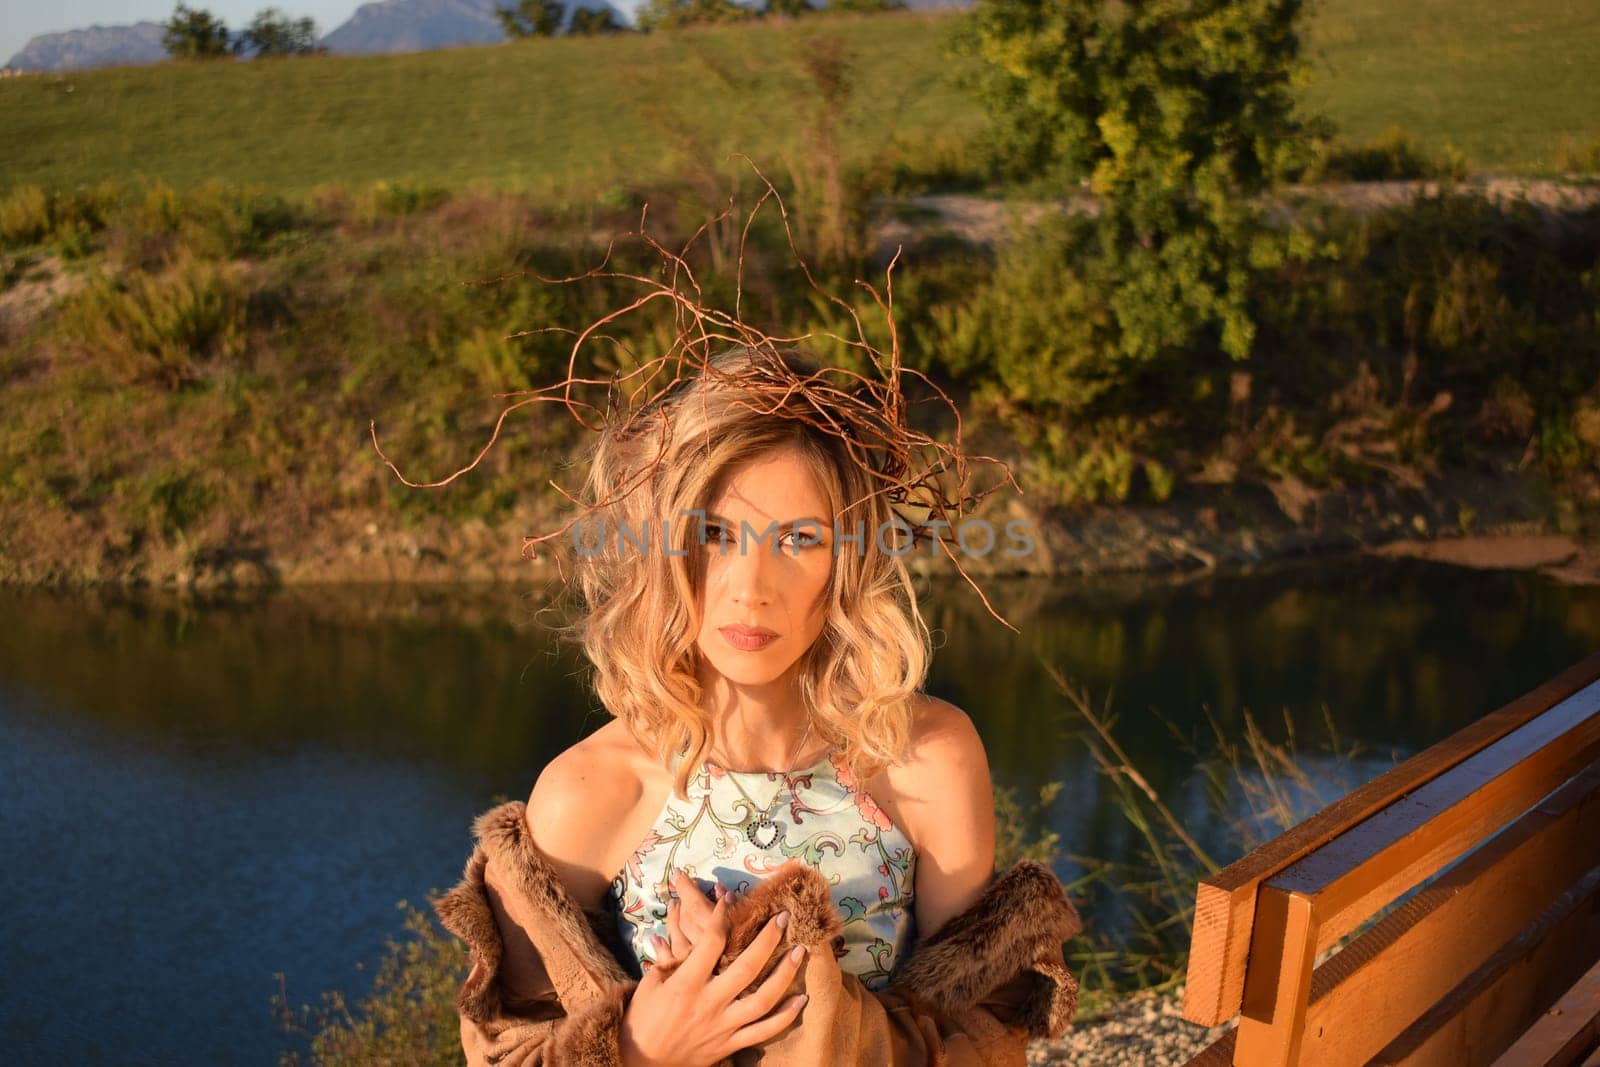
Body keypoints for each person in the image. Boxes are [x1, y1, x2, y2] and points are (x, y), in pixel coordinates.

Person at [433, 346, 1082, 1066]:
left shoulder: (926, 757)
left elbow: (984, 1040)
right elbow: (507, 1052)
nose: (751, 586)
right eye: (714, 534)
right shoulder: (588, 790)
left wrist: (814, 1016)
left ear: (849, 562)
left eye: (800, 539)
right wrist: (644, 1049)